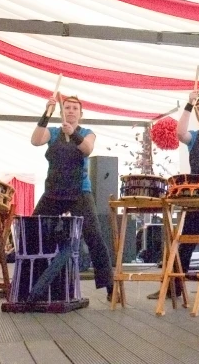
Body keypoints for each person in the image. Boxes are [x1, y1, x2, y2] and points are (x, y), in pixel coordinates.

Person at [148, 92, 199, 300]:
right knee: (183, 239)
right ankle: (173, 287)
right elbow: (180, 133)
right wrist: (189, 104)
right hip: (198, 192)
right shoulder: (194, 136)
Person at [31, 95, 113, 300]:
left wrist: (74, 134)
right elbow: (35, 140)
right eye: (67, 107)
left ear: (80, 114)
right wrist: (46, 115)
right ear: (62, 111)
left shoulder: (87, 133)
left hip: (79, 191)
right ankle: (29, 283)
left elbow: (87, 149)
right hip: (54, 191)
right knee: (33, 229)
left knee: (94, 235)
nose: (71, 111)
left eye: (75, 108)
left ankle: (109, 285)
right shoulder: (53, 132)